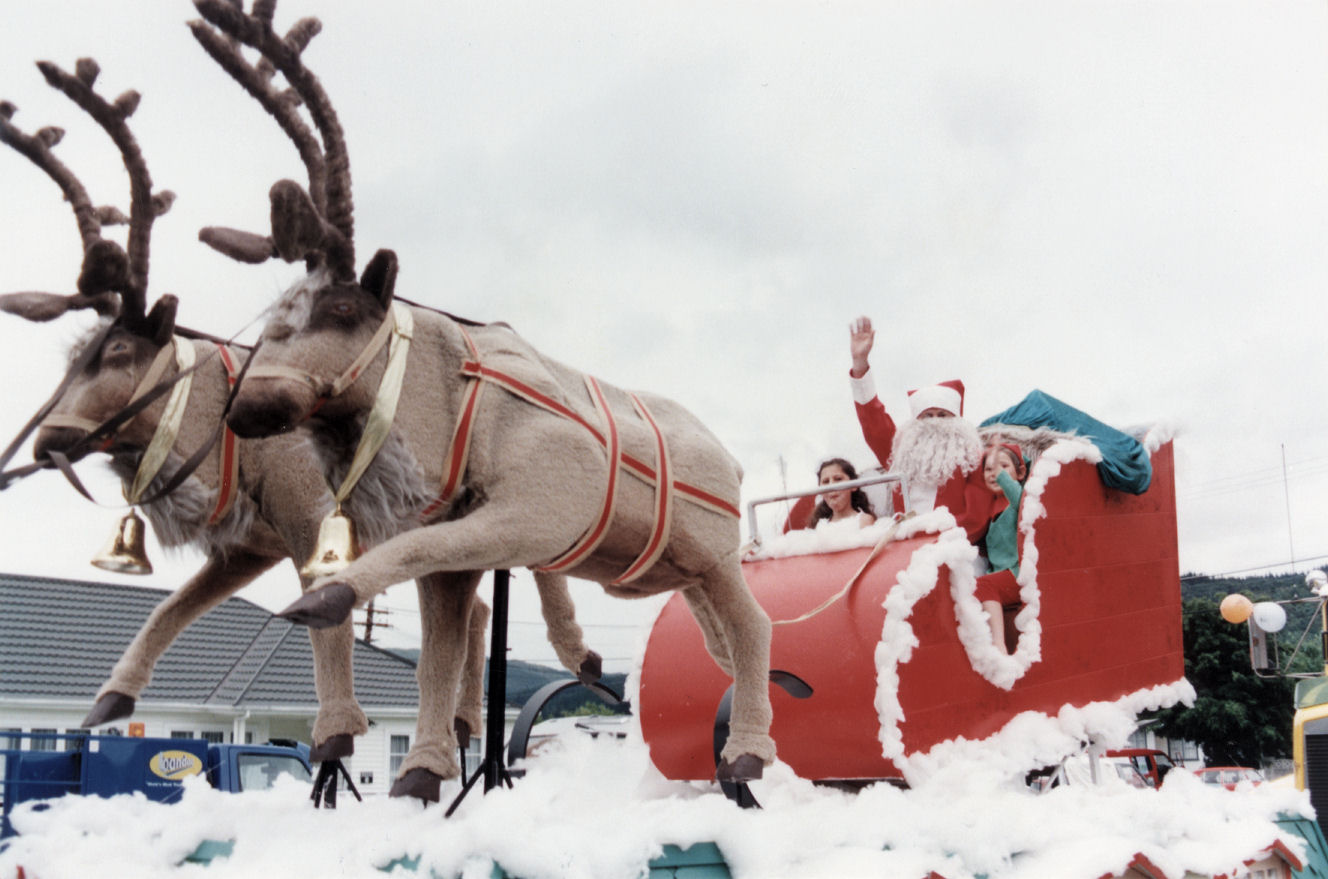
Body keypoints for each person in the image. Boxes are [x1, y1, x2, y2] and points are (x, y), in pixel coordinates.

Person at [847, 315, 995, 542]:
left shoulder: (973, 459)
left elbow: (976, 517)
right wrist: (860, 365)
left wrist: (937, 543)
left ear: (957, 422)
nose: (935, 422)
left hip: (953, 548)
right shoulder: (900, 452)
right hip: (903, 546)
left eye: (942, 416)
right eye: (927, 416)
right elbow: (873, 421)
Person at [974, 442, 1027, 653]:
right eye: (988, 469)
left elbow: (1018, 497)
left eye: (1003, 467)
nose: (994, 473)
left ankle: (998, 645)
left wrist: (1000, 474)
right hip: (1000, 575)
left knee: (983, 585)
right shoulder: (990, 507)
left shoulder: (1019, 499)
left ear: (1020, 473)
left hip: (1018, 573)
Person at [807, 457, 876, 528]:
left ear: (854, 485)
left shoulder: (863, 520)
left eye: (838, 479)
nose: (831, 485)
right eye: (825, 481)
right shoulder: (820, 525)